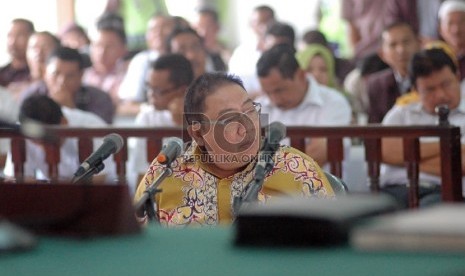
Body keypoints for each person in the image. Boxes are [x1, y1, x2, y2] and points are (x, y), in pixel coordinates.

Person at [134, 72, 335, 226]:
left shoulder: (296, 169)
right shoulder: (165, 174)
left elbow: (331, 245)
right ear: (198, 133)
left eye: (249, 110)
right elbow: (136, 248)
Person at [381, 48, 465, 208]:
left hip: (442, 193)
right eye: (430, 89)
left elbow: (461, 163)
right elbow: (384, 151)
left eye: (446, 84)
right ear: (415, 90)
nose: (441, 95)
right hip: (392, 191)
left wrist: (404, 159)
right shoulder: (402, 113)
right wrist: (453, 147)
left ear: (458, 77)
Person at [256, 44, 352, 167]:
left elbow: (318, 153)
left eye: (279, 90)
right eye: (268, 92)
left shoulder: (333, 102)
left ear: (301, 75)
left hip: (320, 185)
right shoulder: (261, 107)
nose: (274, 99)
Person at [3, 94, 116, 183]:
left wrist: (47, 186)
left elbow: (100, 179)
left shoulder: (92, 126)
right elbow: (13, 177)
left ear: (64, 122)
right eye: (35, 141)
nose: (43, 147)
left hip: (94, 200)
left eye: (47, 140)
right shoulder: (24, 130)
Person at [129, 53, 194, 191]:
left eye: (158, 90)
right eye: (149, 87)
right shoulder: (147, 117)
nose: (151, 95)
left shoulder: (206, 113)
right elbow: (142, 175)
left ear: (182, 90)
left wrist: (185, 125)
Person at [20, 46, 115, 124]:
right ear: (45, 72)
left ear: (81, 76)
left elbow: (101, 134)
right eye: (56, 74)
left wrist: (70, 109)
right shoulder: (32, 95)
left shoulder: (99, 98)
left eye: (70, 76)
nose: (62, 81)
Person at [117, 14, 177, 116]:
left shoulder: (189, 58)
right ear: (147, 36)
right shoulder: (141, 61)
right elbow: (128, 105)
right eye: (154, 29)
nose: (159, 33)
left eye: (165, 27)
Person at [366, 21, 421, 123]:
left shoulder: (431, 79)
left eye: (406, 42)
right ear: (382, 54)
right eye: (393, 45)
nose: (401, 50)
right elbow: (374, 128)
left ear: (419, 44)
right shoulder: (376, 84)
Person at [228, 5, 276, 97]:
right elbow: (233, 87)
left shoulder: (281, 51)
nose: (264, 27)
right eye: (259, 23)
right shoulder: (241, 53)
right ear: (252, 25)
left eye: (268, 22)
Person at [83, 18, 128, 106]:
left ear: (123, 49)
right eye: (97, 45)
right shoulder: (82, 76)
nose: (102, 52)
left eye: (109, 47)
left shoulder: (128, 76)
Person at [0, 18, 35, 100]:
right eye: (9, 35)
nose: (12, 42)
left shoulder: (37, 74)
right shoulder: (2, 73)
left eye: (19, 35)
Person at [438, 0, 465, 81]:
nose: (456, 30)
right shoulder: (434, 58)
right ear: (440, 29)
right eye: (450, 23)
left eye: (462, 22)